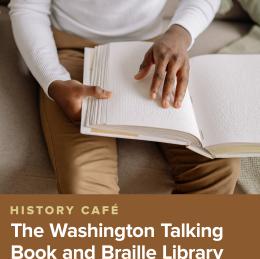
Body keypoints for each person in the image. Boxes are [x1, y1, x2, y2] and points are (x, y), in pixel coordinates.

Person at [9, 0, 240, 194]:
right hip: (72, 52)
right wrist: (54, 81)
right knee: (85, 181)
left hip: (152, 50)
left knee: (220, 165)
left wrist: (180, 33)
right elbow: (28, 7)